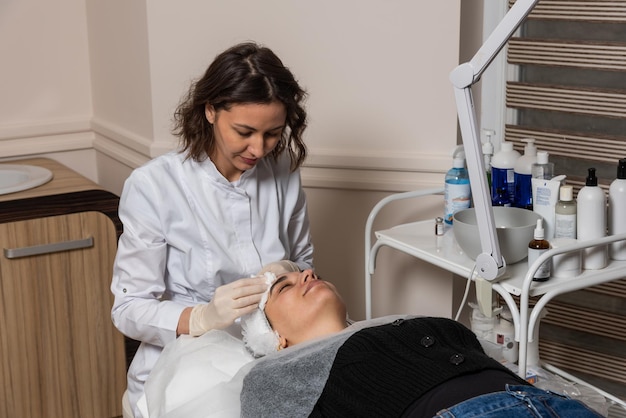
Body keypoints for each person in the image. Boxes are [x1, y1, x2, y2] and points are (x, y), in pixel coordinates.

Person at [110, 42, 314, 417]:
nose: (259, 148)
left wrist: (288, 269)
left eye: (272, 133)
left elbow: (303, 263)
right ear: (209, 111)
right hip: (180, 370)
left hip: (269, 362)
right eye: (244, 131)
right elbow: (128, 308)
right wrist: (201, 317)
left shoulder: (282, 171)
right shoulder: (156, 185)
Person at [238, 269, 604, 418]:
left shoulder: (406, 325)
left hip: (551, 406)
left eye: (306, 272)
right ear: (277, 340)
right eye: (283, 286)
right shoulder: (272, 376)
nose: (307, 273)